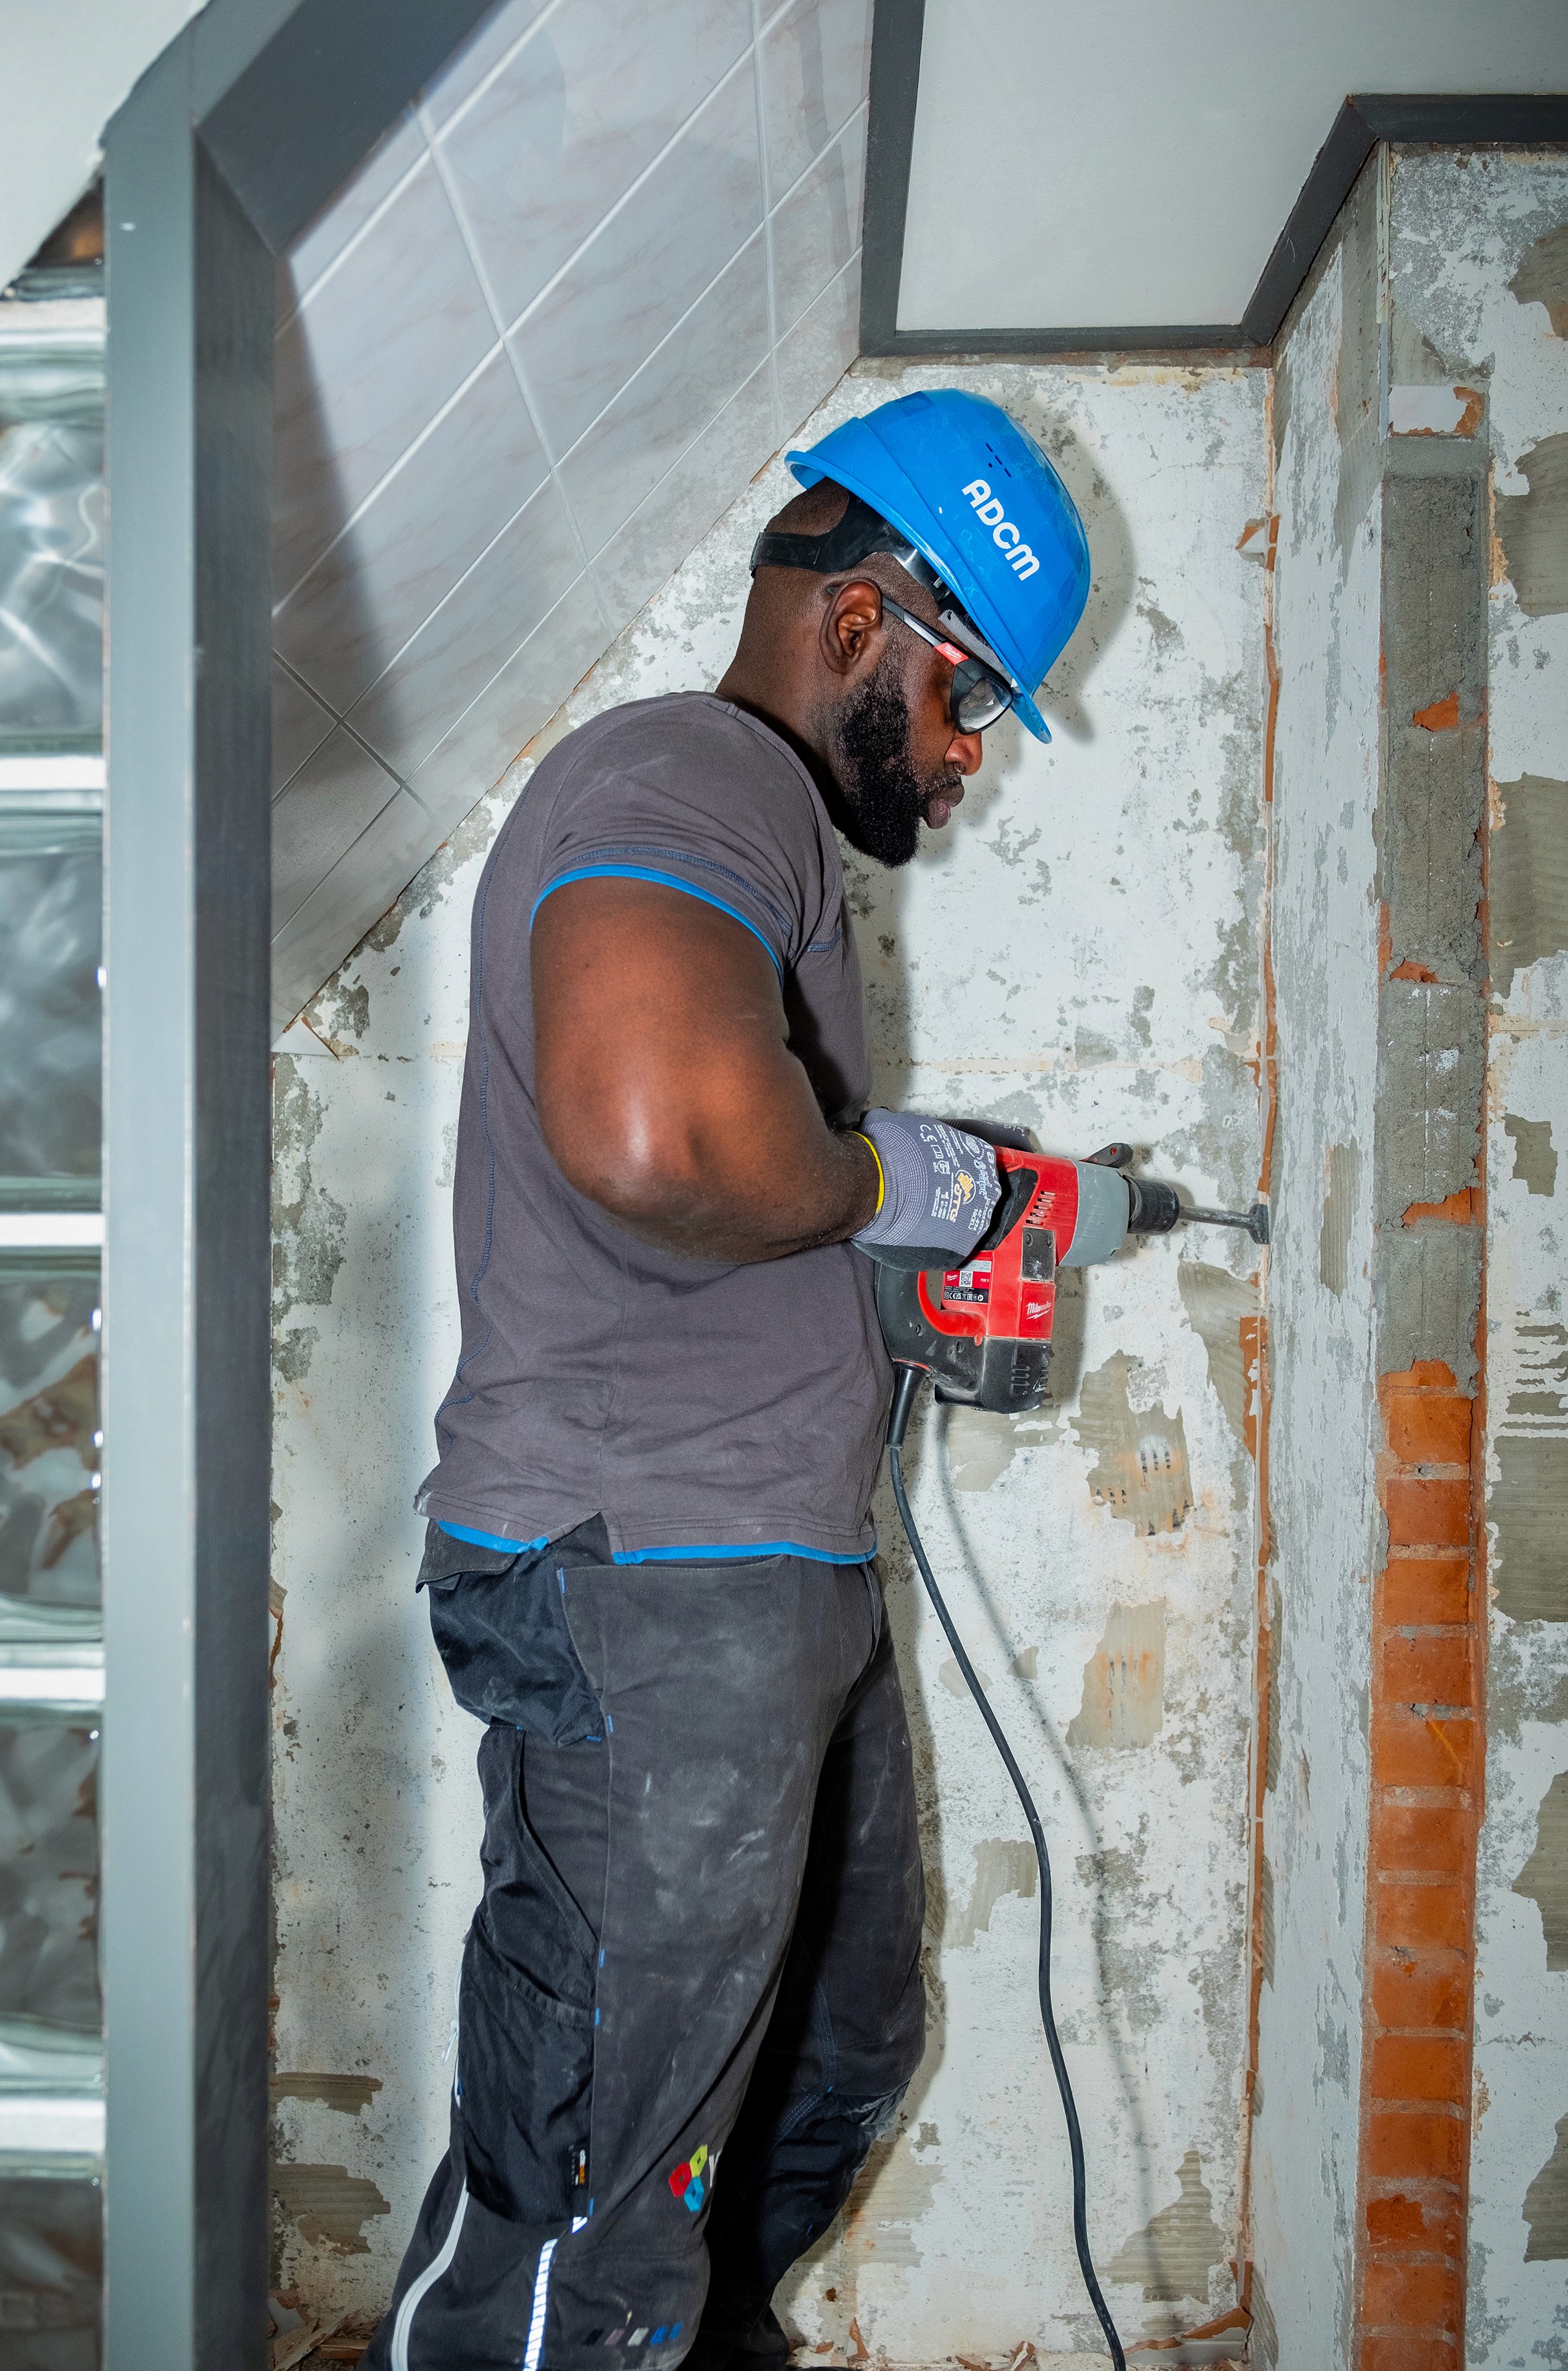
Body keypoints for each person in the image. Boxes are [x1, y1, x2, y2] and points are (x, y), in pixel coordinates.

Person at [364, 389, 1091, 2371]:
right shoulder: (683, 771)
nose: (963, 758)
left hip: (763, 1574)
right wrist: (886, 1181)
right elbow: (659, 1133)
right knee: (597, 2188)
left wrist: (892, 1225)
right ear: (860, 620)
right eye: (967, 699)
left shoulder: (742, 828)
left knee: (827, 2065)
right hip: (649, 1569)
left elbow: (728, 1165)